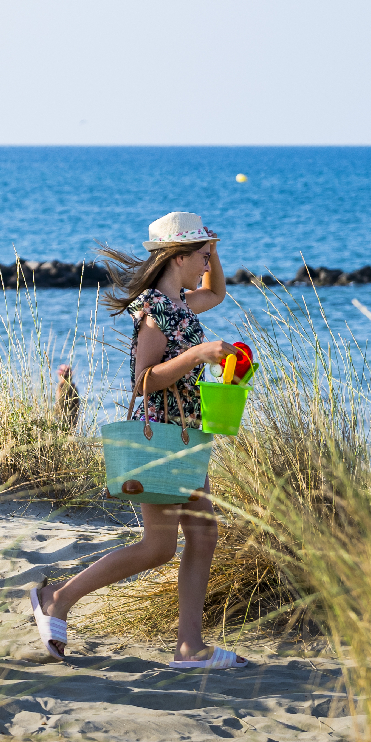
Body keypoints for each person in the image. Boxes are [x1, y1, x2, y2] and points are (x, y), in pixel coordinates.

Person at [30, 212, 248, 670]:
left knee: (202, 535)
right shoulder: (154, 309)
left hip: (186, 432)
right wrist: (198, 355)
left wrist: (214, 246)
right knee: (158, 546)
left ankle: (189, 646)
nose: (207, 264)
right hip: (161, 434)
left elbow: (219, 292)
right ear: (178, 257)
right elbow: (142, 382)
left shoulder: (183, 302)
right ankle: (56, 599)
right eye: (202, 255)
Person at [55, 363, 81, 430]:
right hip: (72, 417)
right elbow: (77, 405)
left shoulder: (60, 387)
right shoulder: (74, 387)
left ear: (60, 375)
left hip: (61, 417)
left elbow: (58, 404)